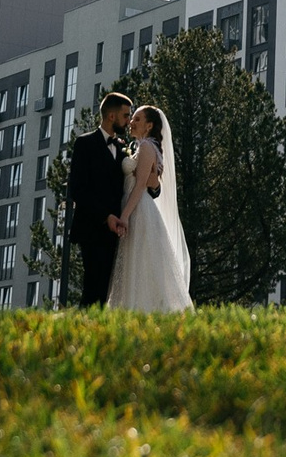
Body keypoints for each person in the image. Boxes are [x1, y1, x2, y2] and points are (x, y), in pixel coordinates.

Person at [106, 104, 193, 312]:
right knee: (136, 266)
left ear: (149, 126)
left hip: (139, 210)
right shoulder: (140, 147)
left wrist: (125, 216)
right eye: (132, 118)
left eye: (137, 119)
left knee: (140, 262)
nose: (131, 123)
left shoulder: (146, 147)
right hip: (134, 206)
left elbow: (140, 185)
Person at [67, 91, 133, 307]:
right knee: (93, 289)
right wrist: (106, 217)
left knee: (109, 292)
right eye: (125, 115)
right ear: (112, 116)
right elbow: (78, 190)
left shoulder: (122, 147)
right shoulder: (84, 144)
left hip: (118, 232)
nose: (129, 121)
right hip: (92, 228)